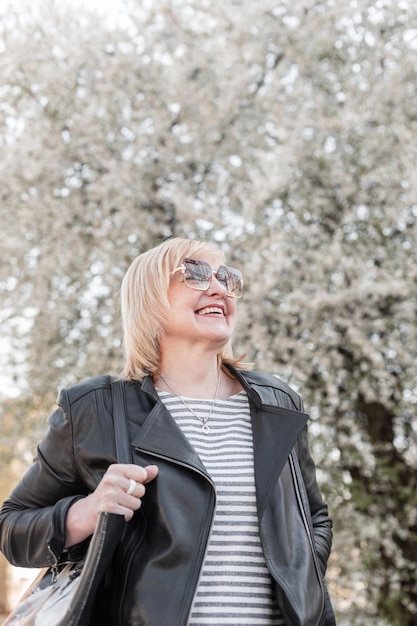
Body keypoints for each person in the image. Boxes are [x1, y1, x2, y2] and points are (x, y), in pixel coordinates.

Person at [0, 237, 336, 626]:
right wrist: (89, 511)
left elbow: (314, 517)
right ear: (149, 301)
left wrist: (303, 579)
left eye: (226, 278)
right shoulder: (94, 408)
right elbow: (12, 527)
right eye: (194, 274)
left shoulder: (278, 402)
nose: (218, 288)